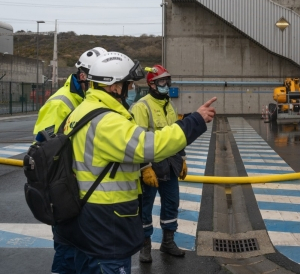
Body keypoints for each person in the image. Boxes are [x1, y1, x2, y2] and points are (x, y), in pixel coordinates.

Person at [54, 52, 216, 274]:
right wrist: (195, 121)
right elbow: (149, 146)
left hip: (86, 214)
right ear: (113, 86)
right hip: (106, 220)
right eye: (127, 85)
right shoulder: (107, 121)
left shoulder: (83, 110)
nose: (130, 90)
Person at [32, 47, 107, 274]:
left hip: (82, 189)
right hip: (64, 190)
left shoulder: (88, 99)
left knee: (82, 250)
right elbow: (43, 151)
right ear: (84, 75)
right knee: (67, 250)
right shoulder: (61, 103)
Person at [129, 64, 186, 263]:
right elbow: (137, 141)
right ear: (152, 85)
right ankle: (145, 247)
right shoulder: (141, 107)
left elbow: (176, 135)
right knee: (145, 208)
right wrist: (144, 168)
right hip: (151, 168)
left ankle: (168, 242)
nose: (166, 84)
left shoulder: (169, 105)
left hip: (170, 166)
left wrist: (183, 158)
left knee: (171, 204)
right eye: (162, 81)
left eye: (167, 81)